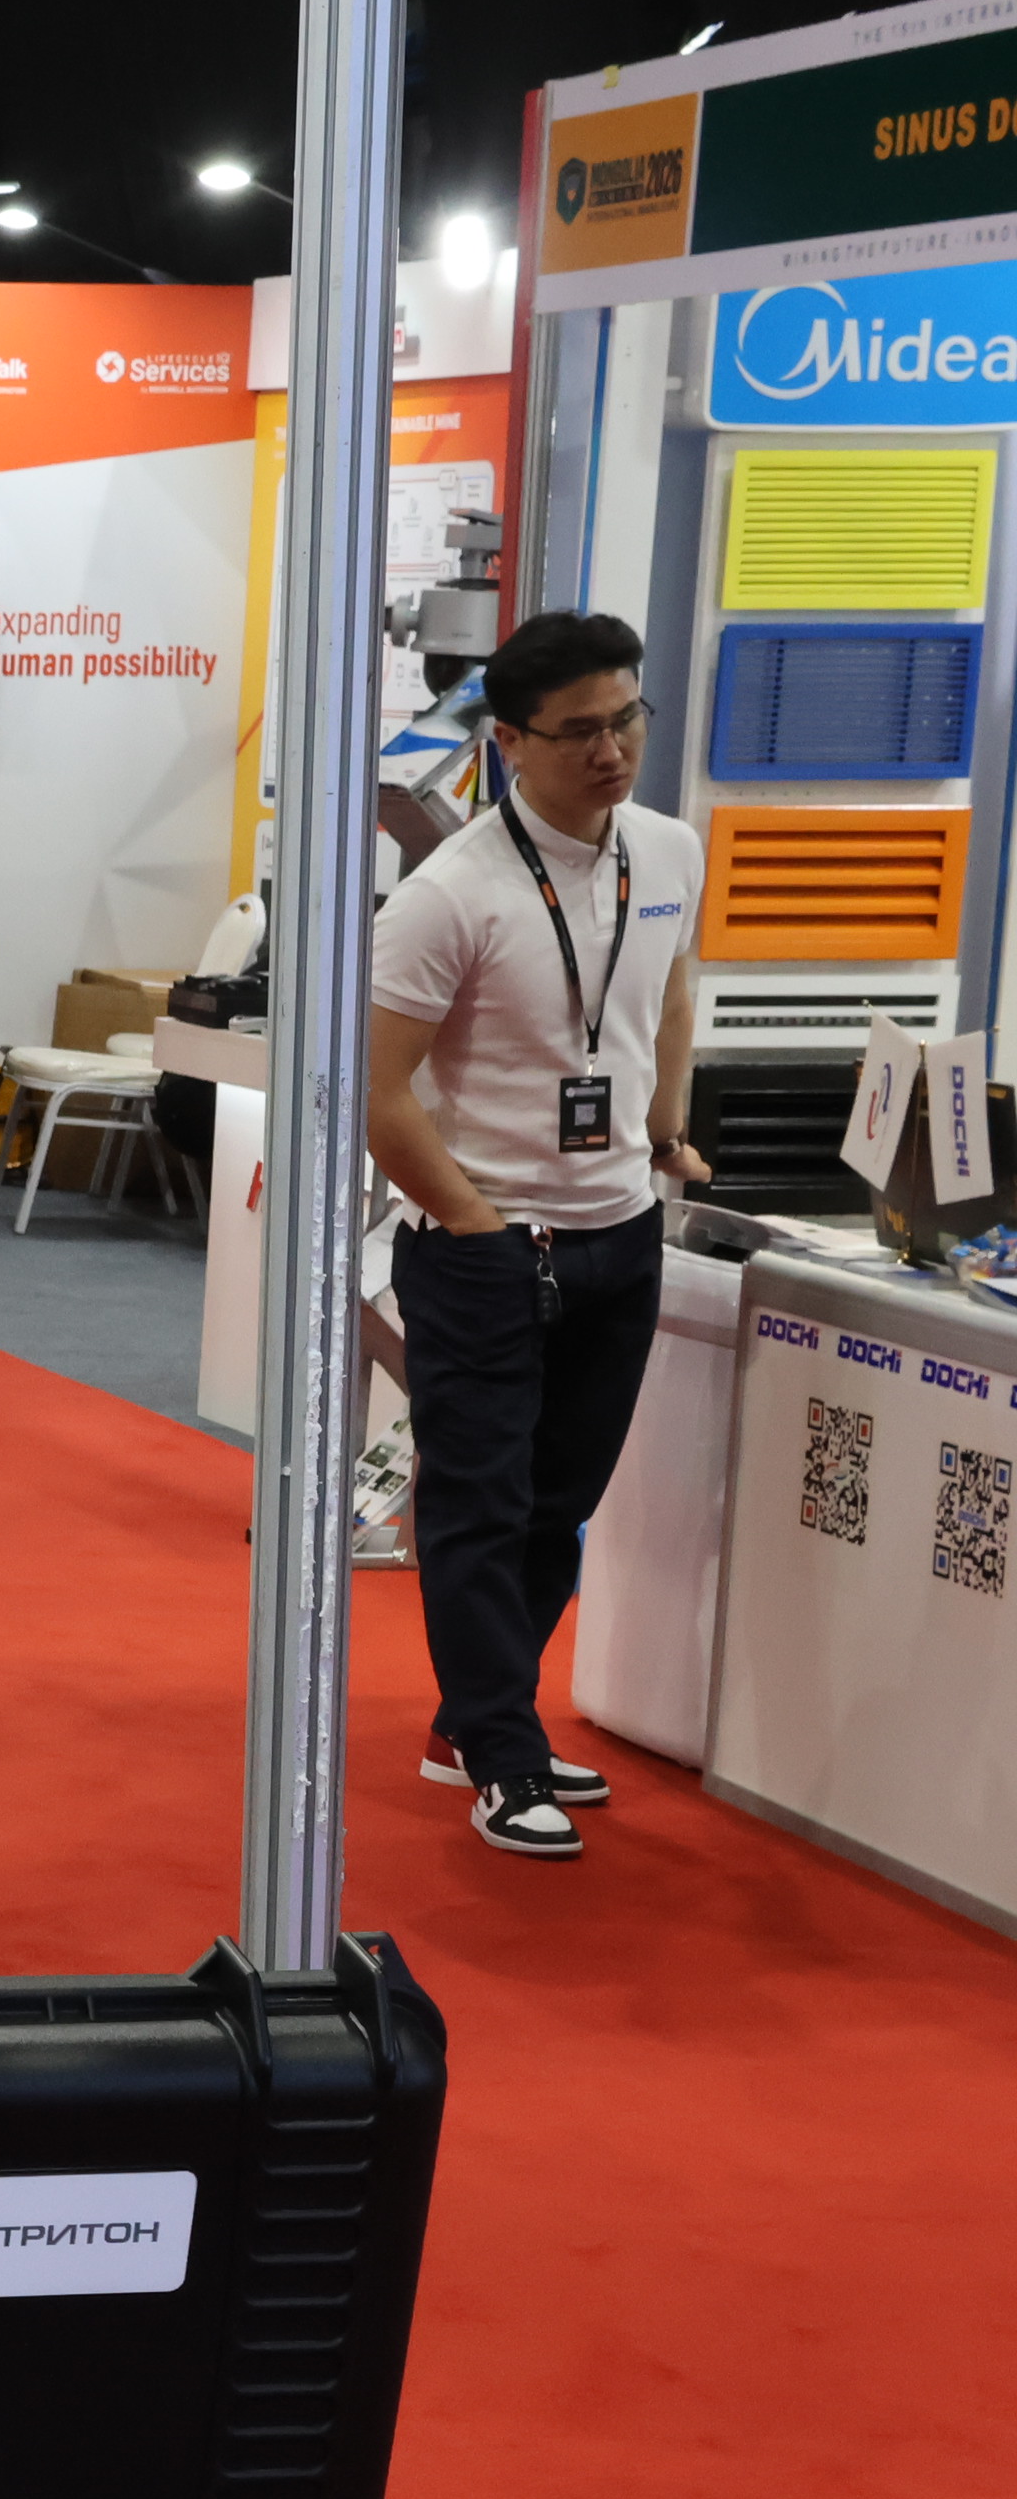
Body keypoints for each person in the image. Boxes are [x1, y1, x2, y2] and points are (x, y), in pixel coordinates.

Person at [365, 609, 704, 1861]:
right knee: (479, 1505)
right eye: (578, 732)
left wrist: (665, 1129)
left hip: (622, 1233)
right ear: (508, 742)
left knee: (559, 1504)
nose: (611, 751)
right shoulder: (451, 894)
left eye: (626, 719)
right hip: (488, 1249)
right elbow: (376, 1090)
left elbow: (671, 993)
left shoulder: (669, 850)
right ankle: (505, 1754)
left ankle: (476, 1718)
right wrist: (475, 1221)